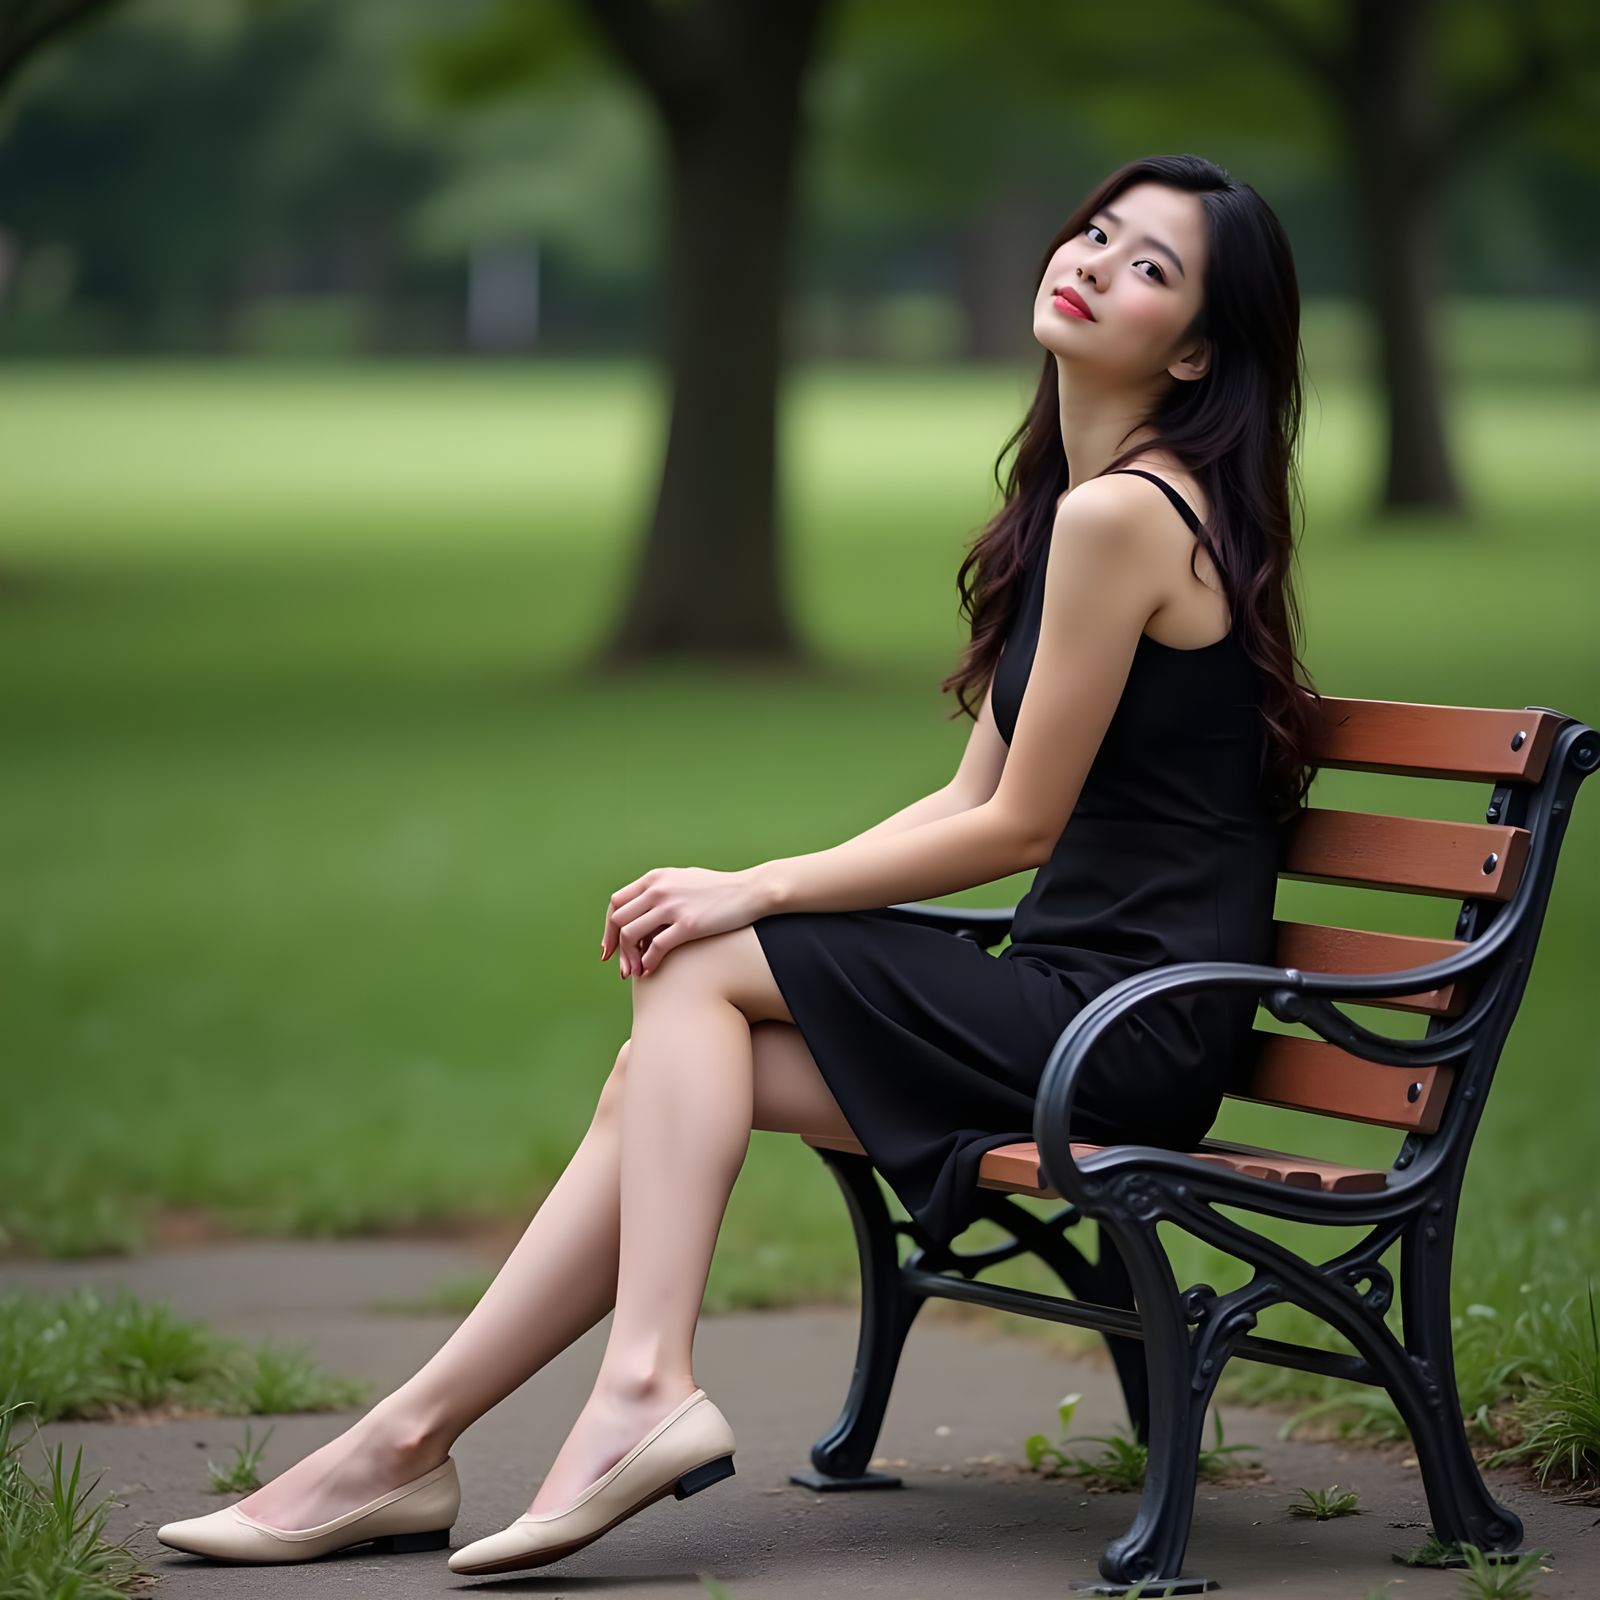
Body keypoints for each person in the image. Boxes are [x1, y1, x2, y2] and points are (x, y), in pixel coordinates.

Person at [156, 151, 1319, 1575]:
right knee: (664, 1073)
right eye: (1095, 230)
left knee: (704, 962)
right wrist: (761, 881)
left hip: (1123, 1025)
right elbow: (969, 790)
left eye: (1149, 266)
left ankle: (639, 1387)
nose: (1089, 259)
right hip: (1078, 1002)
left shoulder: (1127, 513)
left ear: (1196, 350)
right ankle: (401, 1447)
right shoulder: (1080, 502)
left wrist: (755, 891)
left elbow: (1012, 831)